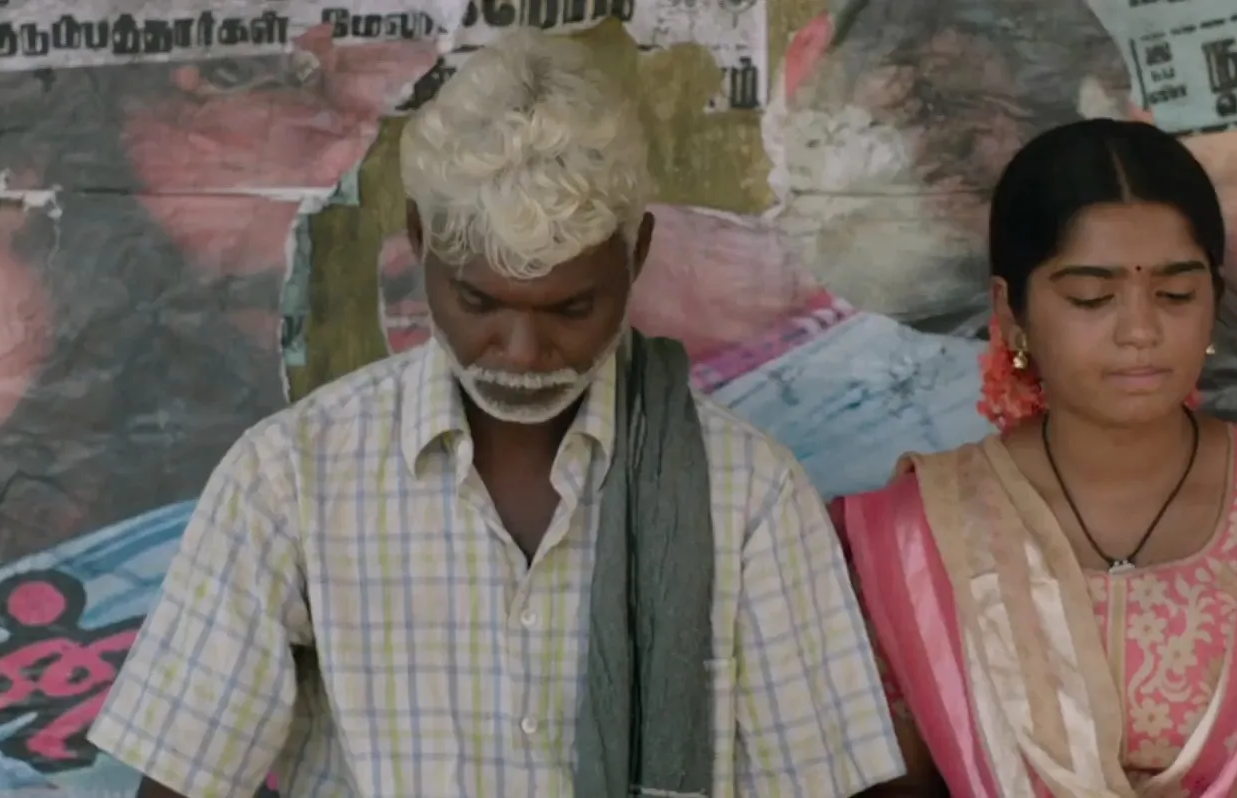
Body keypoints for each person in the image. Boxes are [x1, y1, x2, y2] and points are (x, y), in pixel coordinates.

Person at [87, 27, 903, 798]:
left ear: (637, 255)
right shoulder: (291, 479)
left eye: (571, 308)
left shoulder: (747, 493)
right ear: (421, 239)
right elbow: (183, 777)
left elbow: (822, 782)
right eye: (479, 302)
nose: (521, 350)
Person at [835, 120, 1237, 798]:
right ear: (1012, 312)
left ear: (1215, 301)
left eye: (1176, 294)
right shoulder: (917, 536)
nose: (1141, 330)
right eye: (1092, 298)